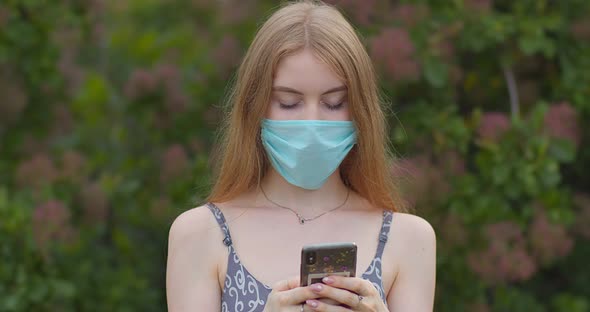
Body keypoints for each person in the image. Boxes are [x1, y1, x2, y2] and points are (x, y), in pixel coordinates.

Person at [166, 1, 436, 311]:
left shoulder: (409, 239)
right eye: (288, 103)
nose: (311, 122)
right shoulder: (200, 234)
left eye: (334, 103)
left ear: (360, 109)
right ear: (255, 106)